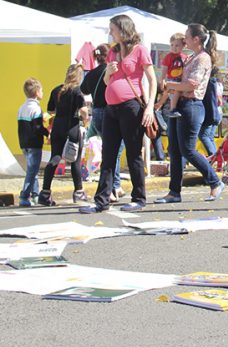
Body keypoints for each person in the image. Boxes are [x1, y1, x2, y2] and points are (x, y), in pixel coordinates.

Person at [79, 14, 157, 213]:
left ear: (123, 29)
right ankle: (101, 201)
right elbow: (106, 82)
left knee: (133, 153)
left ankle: (139, 198)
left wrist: (149, 108)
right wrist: (107, 73)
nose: (110, 32)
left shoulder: (140, 50)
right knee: (108, 154)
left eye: (112, 29)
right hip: (110, 108)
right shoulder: (113, 51)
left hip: (131, 106)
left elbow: (152, 80)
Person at [154, 23, 224, 204]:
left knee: (188, 149)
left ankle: (215, 181)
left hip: (192, 106)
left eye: (186, 35)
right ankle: (174, 192)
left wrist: (170, 85)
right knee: (175, 150)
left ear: (196, 39)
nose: (184, 39)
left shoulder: (203, 58)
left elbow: (191, 84)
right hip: (181, 105)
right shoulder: (191, 58)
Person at [80, 44, 126, 201]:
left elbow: (84, 90)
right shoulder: (112, 70)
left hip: (97, 112)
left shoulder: (92, 73)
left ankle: (115, 186)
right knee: (115, 151)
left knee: (110, 150)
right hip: (110, 110)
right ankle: (114, 187)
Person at [39, 64, 87, 206]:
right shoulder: (77, 91)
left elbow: (51, 110)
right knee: (75, 161)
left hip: (58, 128)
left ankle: (45, 193)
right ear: (79, 76)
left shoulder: (56, 90)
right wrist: (85, 119)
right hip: (72, 128)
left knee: (55, 157)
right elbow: (84, 111)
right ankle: (78, 193)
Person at [17, 78, 49, 207]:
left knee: (33, 170)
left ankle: (35, 195)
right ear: (36, 92)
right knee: (32, 172)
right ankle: (24, 196)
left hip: (24, 144)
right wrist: (48, 133)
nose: (42, 92)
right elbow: (38, 127)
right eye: (41, 90)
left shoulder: (22, 107)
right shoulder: (36, 109)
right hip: (34, 144)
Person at [155, 33, 186, 118]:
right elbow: (164, 69)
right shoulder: (168, 57)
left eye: (177, 45)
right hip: (172, 79)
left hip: (181, 79)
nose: (173, 47)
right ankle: (172, 109)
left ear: (184, 46)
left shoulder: (185, 57)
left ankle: (160, 104)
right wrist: (162, 80)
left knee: (169, 93)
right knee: (171, 91)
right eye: (172, 45)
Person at [198, 67, 223, 157]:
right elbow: (220, 101)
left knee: (203, 135)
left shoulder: (211, 84)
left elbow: (219, 101)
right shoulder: (218, 84)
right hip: (218, 112)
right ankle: (216, 156)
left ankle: (213, 155)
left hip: (212, 112)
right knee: (210, 137)